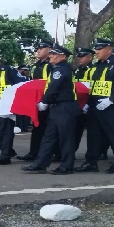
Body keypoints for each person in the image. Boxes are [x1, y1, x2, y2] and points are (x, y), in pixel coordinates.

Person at [76, 38, 114, 174]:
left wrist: (111, 99)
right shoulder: (97, 67)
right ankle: (91, 161)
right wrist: (87, 103)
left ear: (109, 49)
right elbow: (93, 87)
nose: (97, 51)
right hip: (95, 106)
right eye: (96, 48)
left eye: (100, 48)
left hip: (111, 106)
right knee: (93, 135)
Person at [21, 44, 80, 174]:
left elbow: (54, 86)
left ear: (62, 56)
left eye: (54, 54)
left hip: (65, 107)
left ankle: (67, 166)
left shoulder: (61, 69)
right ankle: (41, 163)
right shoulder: (57, 68)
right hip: (58, 107)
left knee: (66, 138)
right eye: (51, 53)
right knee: (49, 136)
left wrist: (44, 101)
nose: (50, 56)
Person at [17, 39, 53, 161]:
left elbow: (52, 85)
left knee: (48, 129)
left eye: (40, 48)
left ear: (49, 50)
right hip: (37, 102)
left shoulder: (50, 65)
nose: (37, 51)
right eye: (37, 48)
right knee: (37, 127)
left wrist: (46, 100)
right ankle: (34, 152)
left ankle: (48, 154)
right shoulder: (35, 66)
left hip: (48, 102)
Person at [72, 47, 95, 151]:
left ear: (89, 58)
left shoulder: (93, 70)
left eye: (82, 56)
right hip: (78, 104)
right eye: (78, 57)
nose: (79, 59)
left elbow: (94, 88)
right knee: (75, 130)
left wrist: (88, 103)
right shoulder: (77, 70)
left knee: (93, 131)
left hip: (90, 104)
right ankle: (72, 150)